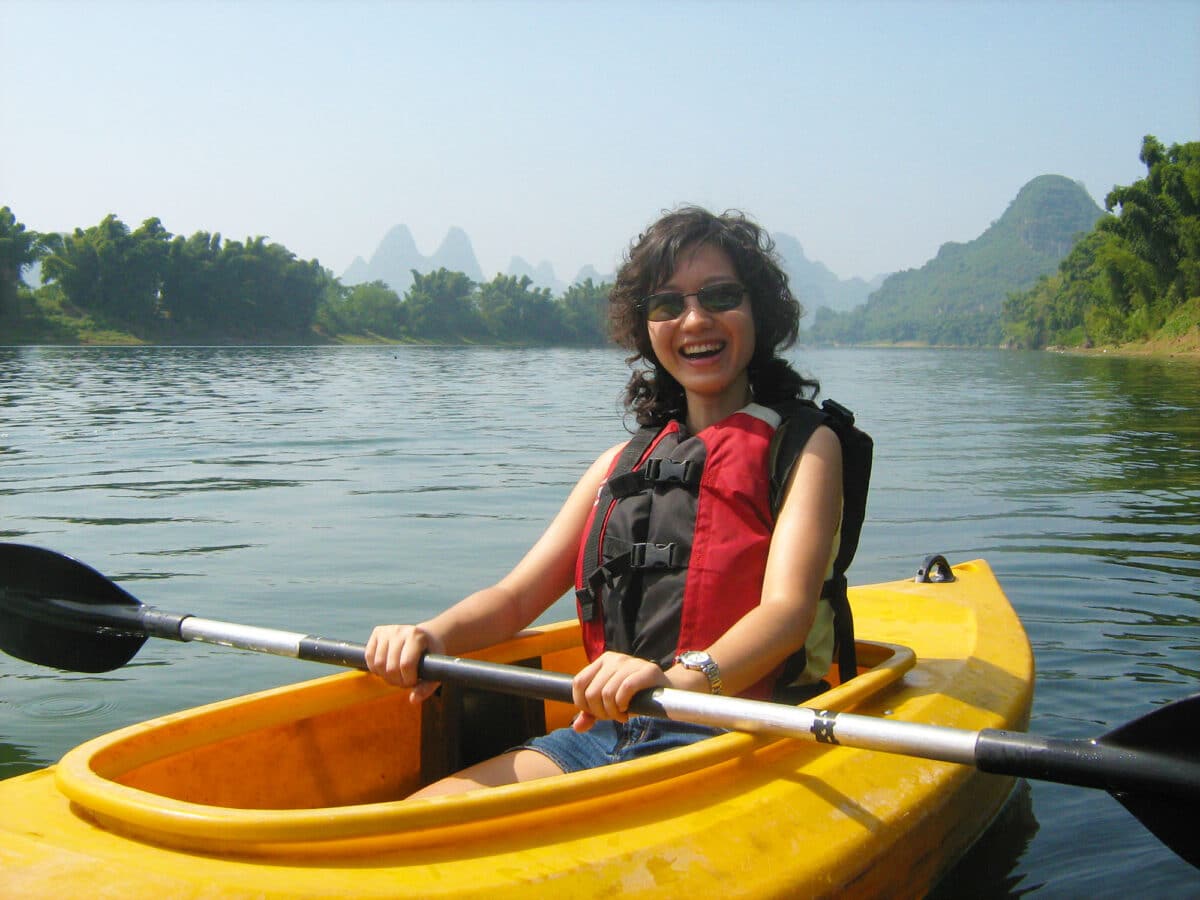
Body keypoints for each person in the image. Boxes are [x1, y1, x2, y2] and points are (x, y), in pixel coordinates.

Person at [366, 206, 843, 798]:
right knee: (426, 811)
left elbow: (787, 613)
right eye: (668, 304)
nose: (695, 319)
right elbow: (516, 598)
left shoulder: (805, 446)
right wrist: (430, 636)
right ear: (645, 326)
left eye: (720, 296)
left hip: (744, 732)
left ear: (758, 311)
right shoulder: (617, 466)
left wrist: (674, 681)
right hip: (606, 731)